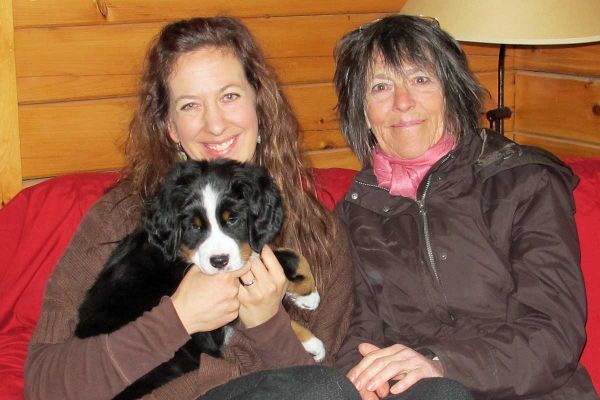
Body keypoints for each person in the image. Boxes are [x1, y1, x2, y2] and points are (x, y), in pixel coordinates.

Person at [24, 16, 355, 400]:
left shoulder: (321, 237)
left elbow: (327, 386)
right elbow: (43, 385)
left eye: (229, 96)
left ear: (260, 107)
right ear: (169, 128)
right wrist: (177, 319)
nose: (214, 124)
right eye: (190, 105)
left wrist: (267, 323)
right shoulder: (121, 216)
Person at [332, 14, 598, 400]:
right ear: (363, 113)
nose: (403, 102)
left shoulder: (523, 182)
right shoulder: (355, 213)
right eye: (380, 87)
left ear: (451, 92)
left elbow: (554, 334)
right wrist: (360, 381)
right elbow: (354, 335)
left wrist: (439, 363)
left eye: (421, 79)